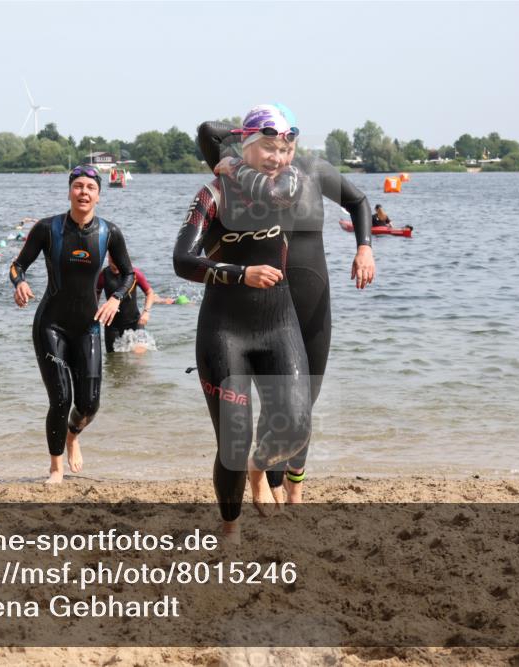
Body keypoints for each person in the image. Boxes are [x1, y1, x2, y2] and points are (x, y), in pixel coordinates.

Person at [197, 105, 375, 504]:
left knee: (304, 399)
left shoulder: (313, 171)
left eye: (287, 141)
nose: (280, 149)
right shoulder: (244, 169)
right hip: (263, 303)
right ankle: (267, 480)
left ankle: (292, 484)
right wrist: (246, 136)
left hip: (311, 295)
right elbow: (207, 130)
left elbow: (359, 202)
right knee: (271, 398)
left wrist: (364, 248)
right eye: (271, 141)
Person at [176, 105, 321, 538]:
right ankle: (230, 527)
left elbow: (274, 183)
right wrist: (242, 274)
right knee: (233, 443)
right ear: (247, 146)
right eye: (268, 148)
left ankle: (261, 470)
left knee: (296, 427)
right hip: (224, 329)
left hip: (278, 322)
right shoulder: (213, 193)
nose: (277, 157)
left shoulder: (290, 186)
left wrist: (236, 159)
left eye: (285, 148)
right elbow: (183, 260)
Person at [10, 165, 135, 484]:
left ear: (98, 195)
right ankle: (55, 468)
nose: (83, 192)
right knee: (61, 399)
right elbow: (17, 265)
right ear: (69, 191)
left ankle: (73, 436)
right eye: (78, 186)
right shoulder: (47, 229)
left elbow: (129, 275)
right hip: (51, 325)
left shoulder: (110, 233)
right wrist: (20, 283)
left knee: (89, 404)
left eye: (90, 188)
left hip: (89, 326)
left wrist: (116, 298)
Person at [97, 255, 158, 354]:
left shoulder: (135, 274)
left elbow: (150, 293)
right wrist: (95, 308)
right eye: (112, 263)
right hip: (112, 325)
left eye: (118, 263)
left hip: (135, 322)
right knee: (113, 360)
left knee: (139, 357)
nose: (115, 267)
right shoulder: (103, 275)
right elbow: (96, 291)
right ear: (108, 259)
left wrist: (146, 312)